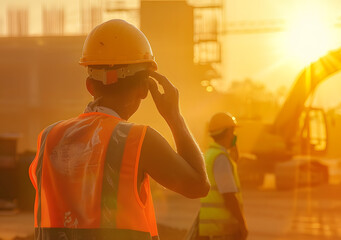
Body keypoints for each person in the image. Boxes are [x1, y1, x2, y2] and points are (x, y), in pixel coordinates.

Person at [28, 19, 210, 240]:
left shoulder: (49, 137)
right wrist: (174, 117)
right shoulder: (138, 140)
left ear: (89, 86)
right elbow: (199, 186)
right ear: (145, 89)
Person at [198, 112, 248, 240]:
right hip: (221, 230)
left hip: (210, 229)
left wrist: (233, 149)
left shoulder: (210, 154)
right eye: (232, 131)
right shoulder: (221, 158)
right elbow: (229, 195)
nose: (234, 135)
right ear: (227, 132)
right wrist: (242, 224)